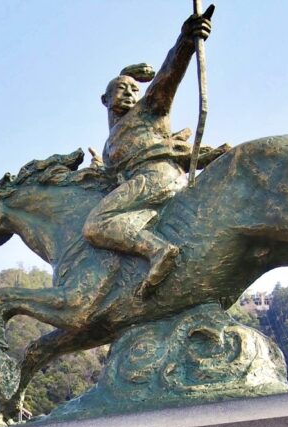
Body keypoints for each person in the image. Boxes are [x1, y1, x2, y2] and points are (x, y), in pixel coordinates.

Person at [83, 5, 215, 297]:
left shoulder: (149, 110)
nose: (131, 93)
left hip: (157, 177)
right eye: (122, 88)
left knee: (96, 224)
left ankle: (157, 250)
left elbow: (167, 76)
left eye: (134, 89)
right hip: (142, 182)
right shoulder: (110, 143)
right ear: (105, 99)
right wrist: (98, 167)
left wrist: (184, 42)